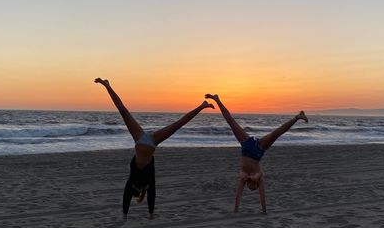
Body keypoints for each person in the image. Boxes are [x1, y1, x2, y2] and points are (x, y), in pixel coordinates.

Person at [95, 78, 214, 220]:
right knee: (178, 124)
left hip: (141, 140)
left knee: (123, 111)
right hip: (149, 142)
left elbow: (128, 195)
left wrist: (125, 214)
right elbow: (151, 194)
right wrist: (150, 213)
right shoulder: (147, 181)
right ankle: (202, 106)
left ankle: (107, 85)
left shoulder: (133, 181)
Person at [205, 93, 308, 214]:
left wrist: (235, 211)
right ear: (256, 186)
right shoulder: (258, 178)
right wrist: (264, 211)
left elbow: (238, 195)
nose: (250, 188)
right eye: (253, 189)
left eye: (249, 189)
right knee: (277, 133)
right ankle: (298, 117)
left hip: (246, 146)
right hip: (258, 150)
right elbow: (262, 195)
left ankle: (217, 99)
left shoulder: (243, 178)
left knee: (231, 122)